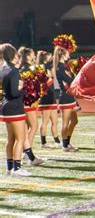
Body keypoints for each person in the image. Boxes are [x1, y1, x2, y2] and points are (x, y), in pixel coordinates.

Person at [0, 43, 31, 176]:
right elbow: (14, 93)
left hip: (6, 107)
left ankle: (9, 167)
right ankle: (17, 168)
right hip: (15, 108)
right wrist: (24, 89)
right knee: (20, 138)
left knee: (11, 139)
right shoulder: (13, 71)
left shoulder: (3, 69)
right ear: (12, 54)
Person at [18, 47, 45, 166]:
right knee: (34, 126)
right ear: (27, 56)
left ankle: (27, 152)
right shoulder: (25, 68)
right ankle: (27, 153)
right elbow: (27, 87)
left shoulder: (26, 67)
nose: (34, 56)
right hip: (26, 102)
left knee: (31, 126)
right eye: (32, 54)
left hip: (27, 102)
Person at [51, 34, 79, 152]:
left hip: (70, 97)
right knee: (65, 122)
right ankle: (64, 145)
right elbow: (71, 81)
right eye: (67, 52)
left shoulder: (65, 66)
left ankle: (67, 142)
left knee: (75, 121)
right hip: (65, 98)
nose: (69, 53)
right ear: (63, 53)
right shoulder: (59, 68)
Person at [37, 50, 61, 148]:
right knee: (45, 122)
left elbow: (55, 82)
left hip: (52, 97)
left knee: (55, 121)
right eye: (49, 56)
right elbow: (44, 83)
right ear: (45, 58)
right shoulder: (42, 68)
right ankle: (43, 143)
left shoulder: (50, 67)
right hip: (46, 98)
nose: (51, 57)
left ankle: (57, 141)